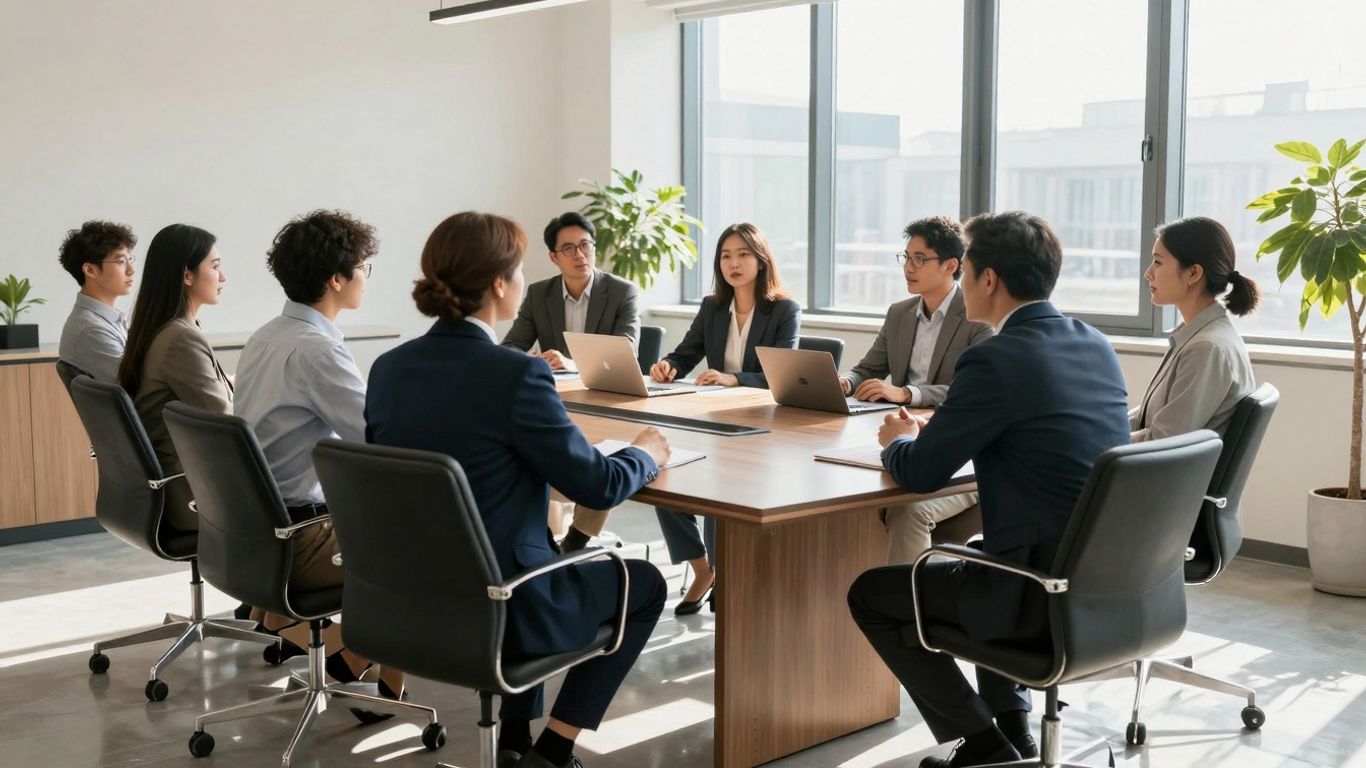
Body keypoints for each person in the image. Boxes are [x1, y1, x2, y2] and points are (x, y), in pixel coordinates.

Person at [366, 211, 670, 768]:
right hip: (499, 606)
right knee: (643, 584)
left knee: (530, 549)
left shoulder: (388, 368)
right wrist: (644, 454)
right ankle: (552, 751)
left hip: (407, 601)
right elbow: (598, 486)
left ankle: (512, 740)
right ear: (500, 284)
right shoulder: (515, 375)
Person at [847, 212, 1131, 768]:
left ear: (989, 279)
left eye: (967, 267)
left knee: (871, 596)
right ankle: (1016, 732)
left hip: (1035, 592)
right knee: (980, 557)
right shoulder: (1094, 343)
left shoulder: (995, 358)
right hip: (1112, 587)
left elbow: (921, 473)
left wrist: (897, 439)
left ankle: (986, 747)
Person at [234, 210, 402, 713]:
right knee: (421, 534)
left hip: (252, 524)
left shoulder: (268, 334)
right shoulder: (317, 350)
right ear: (337, 279)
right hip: (301, 529)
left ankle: (360, 663)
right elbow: (377, 436)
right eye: (365, 268)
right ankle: (363, 665)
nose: (367, 279)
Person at [648, 222, 801, 615]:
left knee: (721, 491)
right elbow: (686, 352)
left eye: (743, 254)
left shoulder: (784, 309)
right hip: (713, 419)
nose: (733, 263)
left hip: (763, 425)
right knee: (663, 479)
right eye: (726, 255)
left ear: (761, 259)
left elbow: (779, 373)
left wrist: (735, 378)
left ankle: (727, 577)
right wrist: (667, 365)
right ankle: (704, 569)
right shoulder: (713, 307)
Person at [838, 216, 993, 564]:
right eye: (906, 258)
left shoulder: (977, 317)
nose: (908, 267)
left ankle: (912, 605)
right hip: (897, 430)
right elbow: (867, 367)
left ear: (951, 265)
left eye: (919, 259)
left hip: (950, 442)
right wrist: (846, 381)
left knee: (904, 504)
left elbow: (967, 391)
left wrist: (907, 393)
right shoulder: (899, 313)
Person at [502, 211, 643, 552]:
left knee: (601, 458)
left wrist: (571, 362)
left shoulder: (622, 292)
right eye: (569, 249)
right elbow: (508, 349)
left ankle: (577, 540)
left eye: (586, 245)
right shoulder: (539, 295)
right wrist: (531, 359)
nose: (580, 255)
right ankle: (540, 537)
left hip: (609, 402)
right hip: (558, 400)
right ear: (553, 256)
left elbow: (626, 350)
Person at [118, 224, 231, 533]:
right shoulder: (181, 339)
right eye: (215, 267)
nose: (223, 278)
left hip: (172, 487)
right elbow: (225, 426)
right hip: (193, 496)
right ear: (187, 275)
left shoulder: (161, 329)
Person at [1132, 216, 1258, 442]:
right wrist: (1103, 429)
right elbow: (1149, 417)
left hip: (1156, 474)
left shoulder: (1207, 349)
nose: (1148, 273)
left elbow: (1163, 440)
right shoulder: (1199, 335)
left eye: (1158, 262)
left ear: (1193, 273)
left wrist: (1097, 442)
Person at [57, 220, 138, 382]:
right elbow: (135, 384)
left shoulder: (106, 319)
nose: (131, 270)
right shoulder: (91, 329)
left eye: (131, 259)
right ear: (90, 270)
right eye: (121, 262)